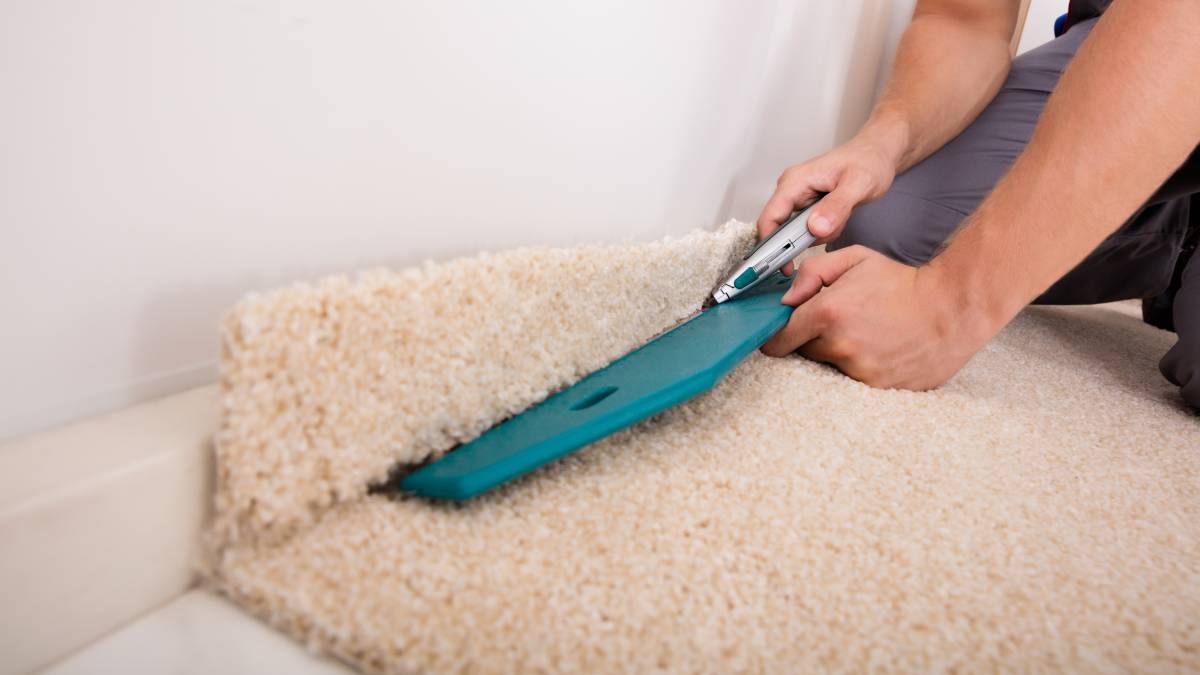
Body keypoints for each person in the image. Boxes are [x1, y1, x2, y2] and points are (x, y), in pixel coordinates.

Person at [755, 0, 1200, 410]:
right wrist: (883, 144)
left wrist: (952, 305)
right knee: (884, 229)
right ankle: (1177, 233)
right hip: (1134, 39)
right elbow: (964, 18)